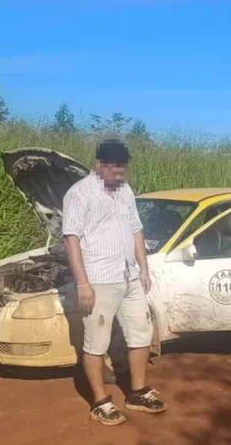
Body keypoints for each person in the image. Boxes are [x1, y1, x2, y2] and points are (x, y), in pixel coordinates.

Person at [61, 139, 167, 425]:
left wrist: (144, 269)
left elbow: (136, 230)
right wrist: (83, 283)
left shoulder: (125, 191)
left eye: (123, 169)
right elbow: (71, 239)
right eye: (115, 169)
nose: (120, 175)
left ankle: (137, 392)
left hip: (129, 275)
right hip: (98, 280)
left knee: (142, 333)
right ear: (100, 165)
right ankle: (100, 402)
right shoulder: (79, 194)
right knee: (96, 342)